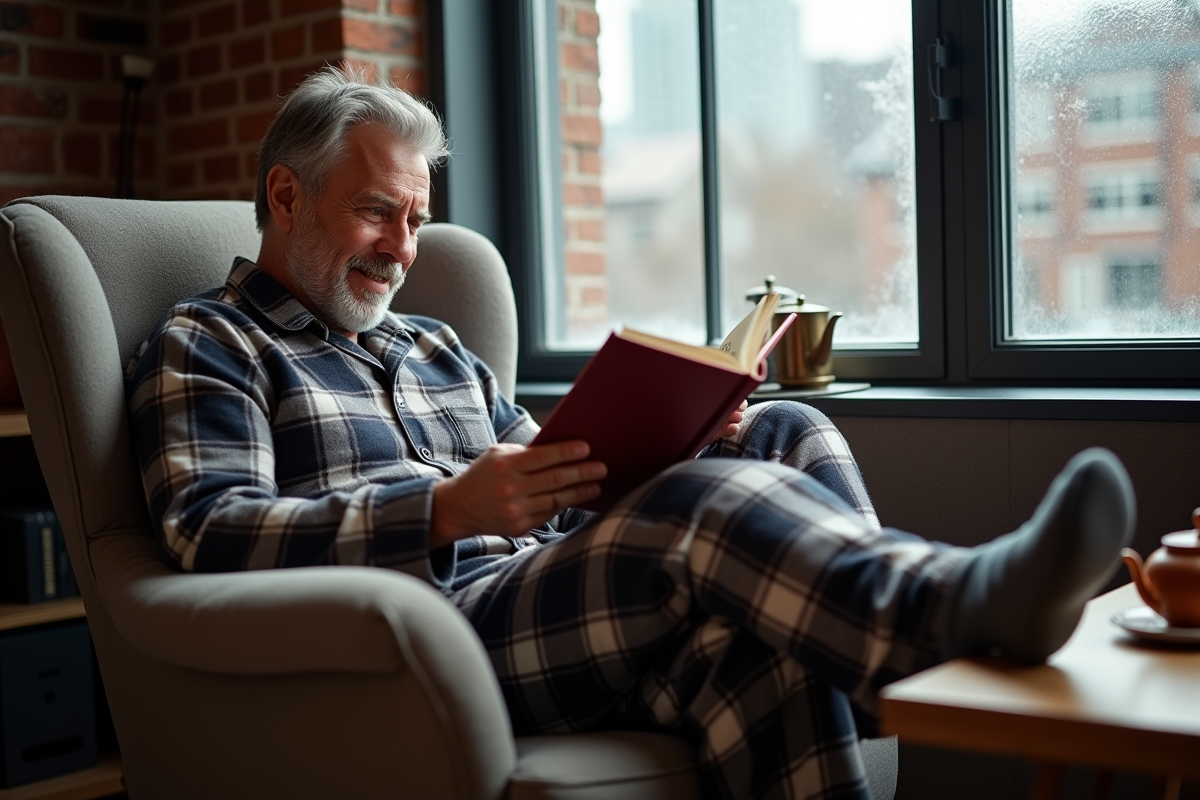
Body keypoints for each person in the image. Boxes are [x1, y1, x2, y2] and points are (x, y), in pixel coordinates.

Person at [125, 67, 1136, 800]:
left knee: (785, 437)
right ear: (285, 195)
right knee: (703, 515)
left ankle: (875, 641)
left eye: (417, 219)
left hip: (562, 592)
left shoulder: (436, 343)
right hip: (433, 632)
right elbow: (211, 531)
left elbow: (557, 474)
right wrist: (439, 508)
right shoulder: (210, 344)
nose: (403, 249)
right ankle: (943, 621)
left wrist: (680, 439)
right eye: (378, 213)